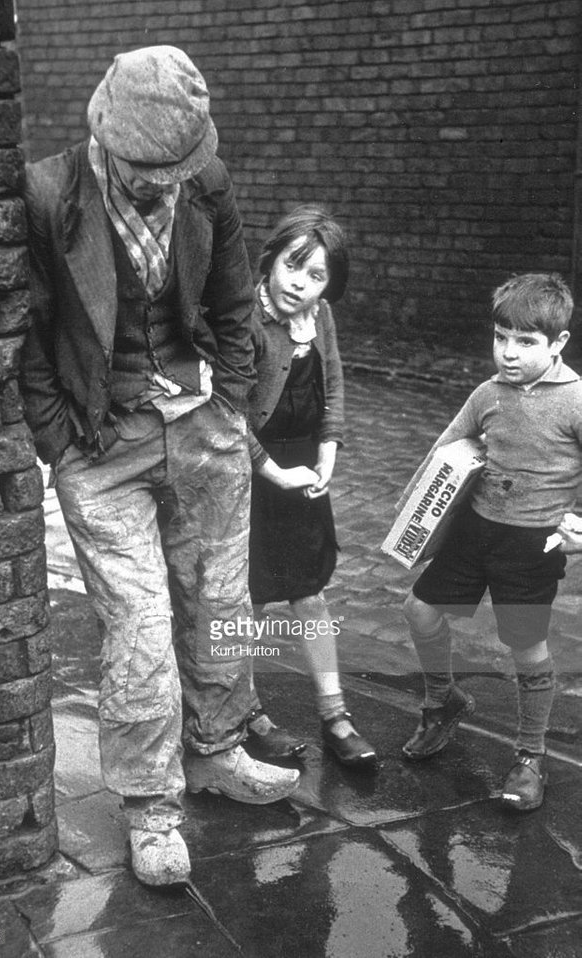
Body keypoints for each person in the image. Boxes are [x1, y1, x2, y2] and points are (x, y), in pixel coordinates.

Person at [20, 46, 299, 888]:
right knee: (139, 626)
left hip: (202, 424)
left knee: (222, 600)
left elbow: (233, 304)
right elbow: (26, 331)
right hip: (102, 444)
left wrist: (236, 408)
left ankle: (214, 750)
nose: (162, 184)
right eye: (146, 169)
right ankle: (151, 809)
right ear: (103, 133)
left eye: (177, 167)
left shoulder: (207, 183)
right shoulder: (47, 194)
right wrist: (58, 440)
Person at [398, 272, 581, 811]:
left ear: (558, 344)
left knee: (525, 648)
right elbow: (444, 451)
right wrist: (414, 514)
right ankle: (442, 701)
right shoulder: (488, 394)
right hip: (475, 531)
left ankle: (529, 756)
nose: (508, 353)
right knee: (420, 610)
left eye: (526, 342)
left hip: (532, 545)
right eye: (501, 337)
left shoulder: (575, 401)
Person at [243, 205, 377, 767]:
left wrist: (327, 456)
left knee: (309, 592)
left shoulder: (319, 317)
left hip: (302, 468)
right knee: (240, 600)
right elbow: (225, 412)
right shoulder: (243, 317)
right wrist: (270, 469)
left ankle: (335, 714)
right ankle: (246, 716)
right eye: (294, 265)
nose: (301, 282)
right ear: (272, 258)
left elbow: (335, 383)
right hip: (247, 472)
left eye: (318, 274)